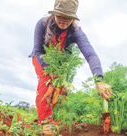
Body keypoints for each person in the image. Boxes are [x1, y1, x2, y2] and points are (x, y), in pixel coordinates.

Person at [29, 0, 112, 134]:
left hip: (60, 62)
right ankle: (45, 123)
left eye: (69, 17)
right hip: (41, 59)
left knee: (61, 91)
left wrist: (99, 80)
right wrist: (50, 70)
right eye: (61, 15)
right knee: (46, 83)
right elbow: (37, 51)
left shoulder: (75, 31)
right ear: (55, 13)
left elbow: (90, 54)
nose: (65, 20)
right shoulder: (42, 24)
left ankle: (57, 118)